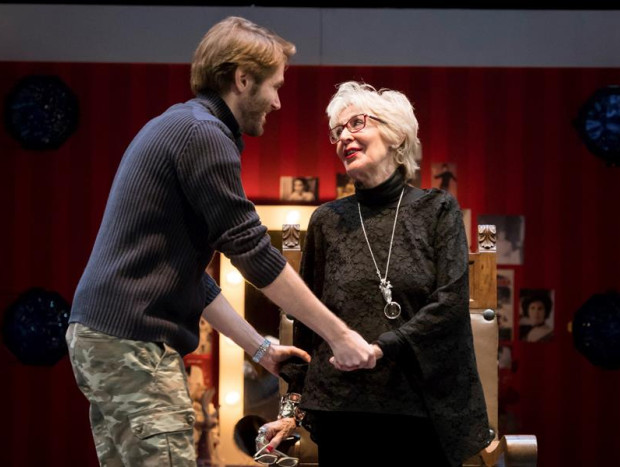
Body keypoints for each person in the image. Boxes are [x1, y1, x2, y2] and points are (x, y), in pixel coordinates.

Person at [65, 18, 376, 467]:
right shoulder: (202, 135)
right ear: (242, 79)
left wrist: (261, 349)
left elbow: (193, 281)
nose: (278, 101)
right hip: (133, 340)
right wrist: (341, 335)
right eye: (274, 86)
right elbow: (252, 251)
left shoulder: (185, 126)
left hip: (106, 337)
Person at [258, 81, 493, 467]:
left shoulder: (436, 210)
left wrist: (383, 346)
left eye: (355, 123)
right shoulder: (327, 220)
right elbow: (306, 319)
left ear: (395, 132)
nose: (343, 138)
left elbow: (449, 304)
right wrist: (293, 404)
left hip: (422, 407)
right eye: (336, 132)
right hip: (342, 410)